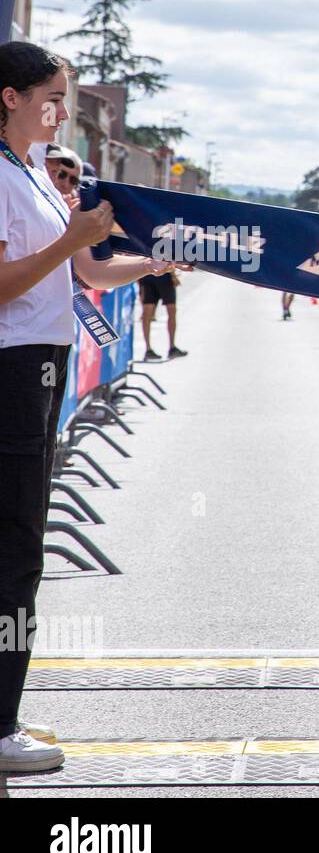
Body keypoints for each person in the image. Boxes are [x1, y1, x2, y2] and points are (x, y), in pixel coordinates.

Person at [0, 42, 185, 772]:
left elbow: (86, 269)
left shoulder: (35, 175)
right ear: (8, 98)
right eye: (51, 94)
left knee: (19, 550)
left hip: (41, 366)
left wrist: (160, 261)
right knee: (15, 554)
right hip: (12, 369)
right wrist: (72, 238)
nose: (63, 108)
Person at [139, 268, 186, 360]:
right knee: (169, 310)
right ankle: (169, 348)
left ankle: (150, 349)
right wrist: (173, 275)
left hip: (149, 273)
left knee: (148, 312)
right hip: (161, 274)